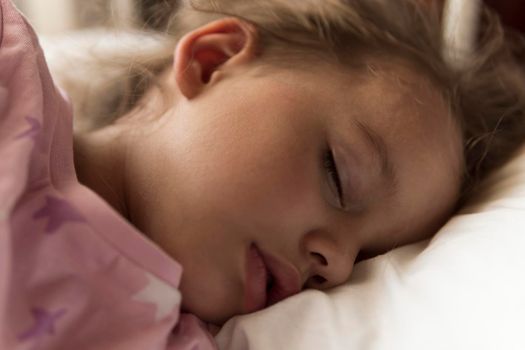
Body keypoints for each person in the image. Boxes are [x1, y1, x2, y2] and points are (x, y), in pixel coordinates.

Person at [1, 0, 524, 349]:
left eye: (366, 257)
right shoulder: (12, 72)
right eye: (338, 176)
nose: (336, 267)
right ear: (213, 60)